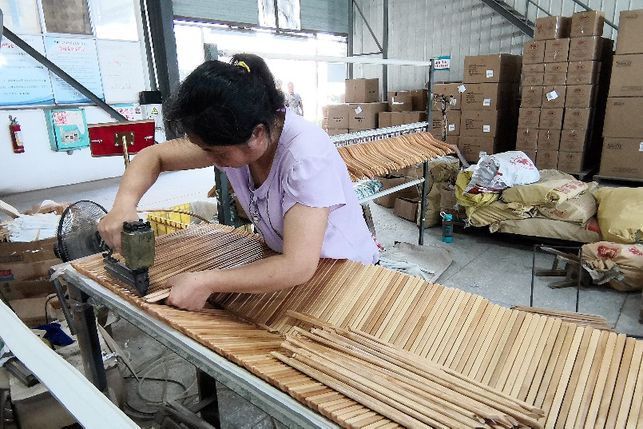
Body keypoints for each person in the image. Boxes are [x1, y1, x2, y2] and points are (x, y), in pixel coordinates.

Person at [98, 54, 379, 311]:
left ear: (257, 135)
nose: (210, 159)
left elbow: (297, 266)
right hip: (293, 269)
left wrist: (206, 281)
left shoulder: (305, 158)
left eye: (217, 153)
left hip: (345, 275)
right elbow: (154, 156)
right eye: (206, 150)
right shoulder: (235, 134)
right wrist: (123, 205)